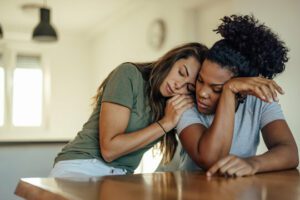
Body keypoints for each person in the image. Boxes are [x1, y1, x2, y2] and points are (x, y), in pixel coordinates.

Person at [49, 42, 208, 177]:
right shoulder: (129, 74)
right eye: (181, 73)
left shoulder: (170, 106)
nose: (178, 86)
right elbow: (109, 150)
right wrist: (165, 123)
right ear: (171, 60)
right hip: (81, 166)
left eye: (189, 87)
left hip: (121, 176)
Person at [177, 15, 299, 177]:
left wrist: (253, 163)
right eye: (200, 80)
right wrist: (227, 92)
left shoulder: (258, 100)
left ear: (243, 91)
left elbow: (289, 152)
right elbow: (210, 159)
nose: (202, 93)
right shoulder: (185, 102)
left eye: (217, 89)